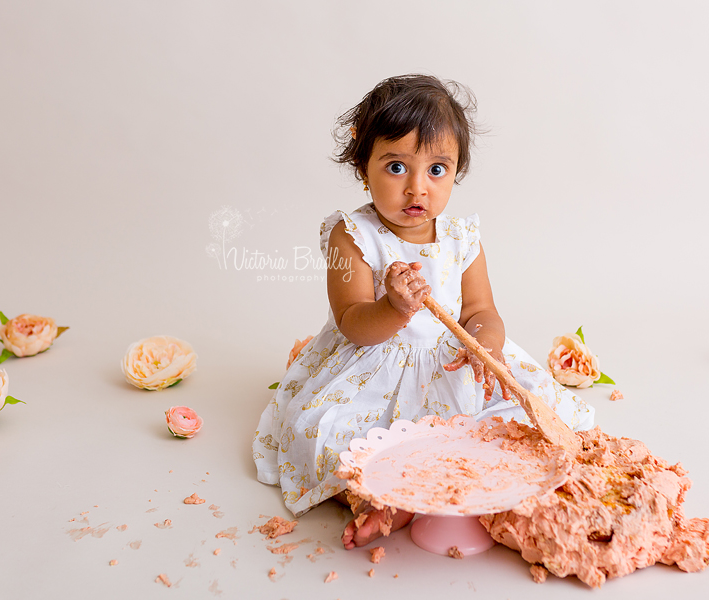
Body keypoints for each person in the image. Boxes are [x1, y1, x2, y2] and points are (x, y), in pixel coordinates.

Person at [252, 74, 594, 549]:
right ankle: (379, 497)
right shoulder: (353, 236)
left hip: (450, 366)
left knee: (508, 423)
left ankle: (463, 482)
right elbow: (353, 323)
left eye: (437, 170)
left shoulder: (461, 239)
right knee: (328, 436)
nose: (417, 188)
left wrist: (484, 346)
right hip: (374, 367)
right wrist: (393, 307)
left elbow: (481, 310)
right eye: (396, 167)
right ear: (362, 165)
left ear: (456, 172)